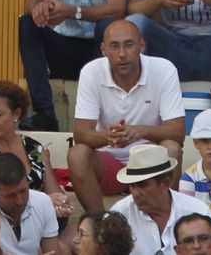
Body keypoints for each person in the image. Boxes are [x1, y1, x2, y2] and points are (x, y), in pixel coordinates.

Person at [68, 18, 186, 214]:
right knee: (77, 154)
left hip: (150, 163)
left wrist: (141, 131)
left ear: (141, 46)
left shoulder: (164, 70)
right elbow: (80, 135)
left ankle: (167, 218)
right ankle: (101, 225)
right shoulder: (91, 72)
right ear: (104, 50)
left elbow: (178, 134)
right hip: (109, 162)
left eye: (129, 45)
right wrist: (110, 137)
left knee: (171, 149)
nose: (122, 54)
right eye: (114, 46)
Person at [0, 81, 71, 216]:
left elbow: (54, 192)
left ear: (16, 114)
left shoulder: (35, 148)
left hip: (39, 224)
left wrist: (61, 202)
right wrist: (44, 202)